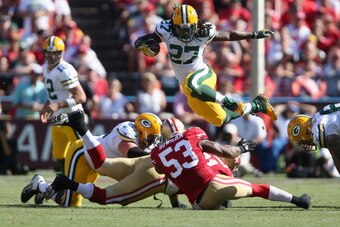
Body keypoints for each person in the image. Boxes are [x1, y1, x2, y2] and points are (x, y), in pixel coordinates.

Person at [26, 113, 310, 210]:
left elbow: (172, 166)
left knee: (102, 171)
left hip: (149, 165)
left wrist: (235, 149)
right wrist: (238, 151)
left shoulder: (185, 139)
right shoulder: (222, 173)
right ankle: (68, 181)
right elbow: (255, 187)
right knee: (104, 198)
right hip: (158, 176)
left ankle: (82, 131)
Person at [134, 4, 277, 127]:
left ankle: (228, 101)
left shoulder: (203, 32)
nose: (185, 32)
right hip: (187, 85)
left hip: (203, 74)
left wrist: (253, 34)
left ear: (195, 24)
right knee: (219, 119)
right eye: (181, 29)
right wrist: (141, 41)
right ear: (173, 24)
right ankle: (257, 105)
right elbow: (151, 38)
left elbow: (228, 35)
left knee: (192, 84)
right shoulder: (166, 29)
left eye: (188, 28)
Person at [21, 111, 163, 207]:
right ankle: (39, 184)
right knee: (70, 203)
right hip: (83, 154)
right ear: (142, 129)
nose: (152, 141)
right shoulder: (127, 129)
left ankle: (44, 186)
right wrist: (159, 156)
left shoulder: (145, 144)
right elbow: (131, 153)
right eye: (151, 137)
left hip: (98, 165)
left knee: (70, 196)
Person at [40, 35, 86, 172]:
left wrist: (57, 105)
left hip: (71, 117)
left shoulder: (65, 70)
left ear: (61, 53)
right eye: (49, 52)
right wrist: (47, 105)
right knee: (59, 154)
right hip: (57, 117)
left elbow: (81, 97)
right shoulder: (45, 67)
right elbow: (55, 94)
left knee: (80, 153)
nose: (52, 56)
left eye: (55, 53)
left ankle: (84, 185)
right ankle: (66, 183)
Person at [287, 103, 340, 174]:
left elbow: (332, 140)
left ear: (305, 131)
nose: (305, 144)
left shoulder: (316, 132)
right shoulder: (318, 119)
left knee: (332, 145)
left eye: (303, 141)